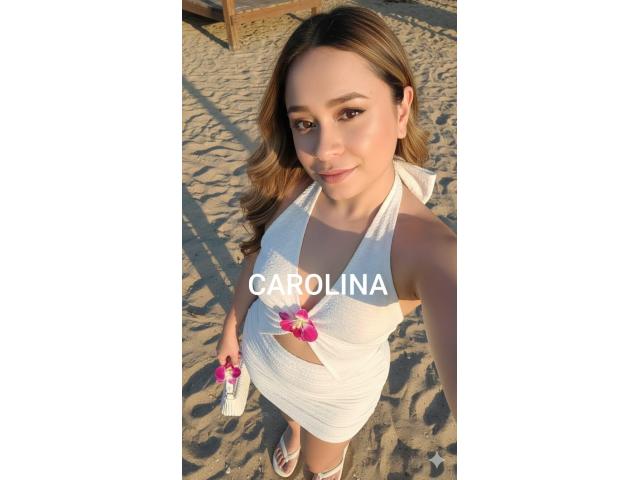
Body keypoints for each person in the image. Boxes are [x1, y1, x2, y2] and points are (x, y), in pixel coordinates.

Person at [216, 6, 456, 479]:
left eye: (350, 112)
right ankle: (293, 427)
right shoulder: (294, 185)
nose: (323, 151)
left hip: (334, 400)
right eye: (304, 123)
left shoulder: (427, 249)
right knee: (291, 418)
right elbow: (258, 256)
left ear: (402, 109)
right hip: (265, 362)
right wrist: (231, 326)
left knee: (318, 467)